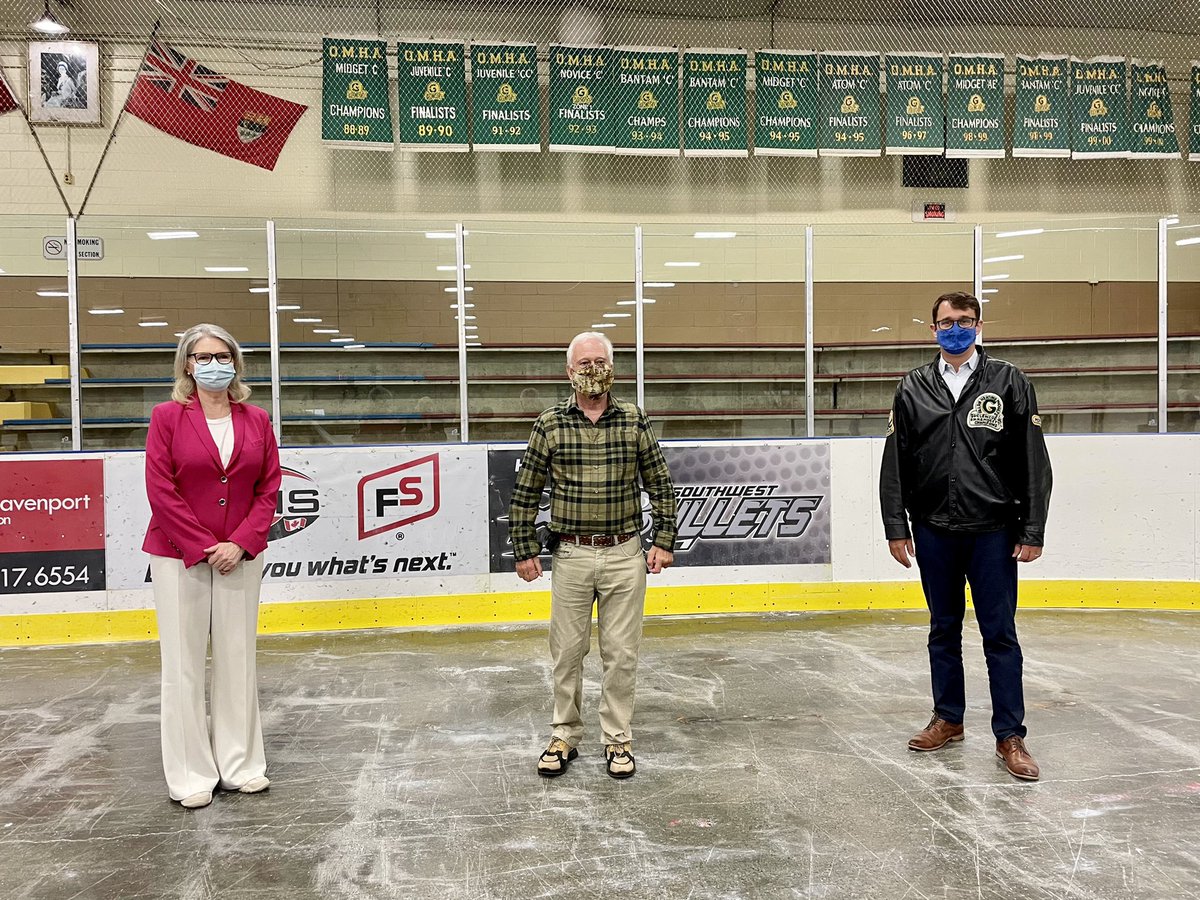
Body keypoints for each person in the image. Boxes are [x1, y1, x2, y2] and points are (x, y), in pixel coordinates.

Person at [880, 292, 1052, 781]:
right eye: (946, 322)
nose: (955, 328)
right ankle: (949, 719)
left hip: (994, 533)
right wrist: (897, 526)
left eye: (965, 321)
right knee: (943, 629)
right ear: (932, 328)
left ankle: (1010, 735)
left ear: (979, 325)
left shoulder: (1009, 381)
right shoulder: (912, 388)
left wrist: (1032, 528)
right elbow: (895, 465)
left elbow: (1034, 461)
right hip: (934, 530)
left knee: (1000, 635)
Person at [509, 332, 677, 780]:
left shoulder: (635, 421)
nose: (591, 368)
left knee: (621, 654)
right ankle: (564, 734)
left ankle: (618, 740)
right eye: (583, 362)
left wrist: (663, 540)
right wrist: (524, 549)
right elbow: (526, 493)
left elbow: (660, 485)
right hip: (572, 556)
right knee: (566, 652)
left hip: (625, 554)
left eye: (599, 360)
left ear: (612, 367)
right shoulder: (549, 424)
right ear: (569, 371)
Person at [142, 323, 282, 809]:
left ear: (236, 363)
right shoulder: (166, 417)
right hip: (178, 555)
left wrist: (240, 543)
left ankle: (242, 764)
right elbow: (161, 490)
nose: (213, 364)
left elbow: (269, 489)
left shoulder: (257, 419)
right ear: (187, 365)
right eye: (203, 357)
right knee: (181, 666)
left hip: (242, 557)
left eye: (222, 356)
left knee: (237, 659)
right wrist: (204, 546)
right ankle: (190, 774)